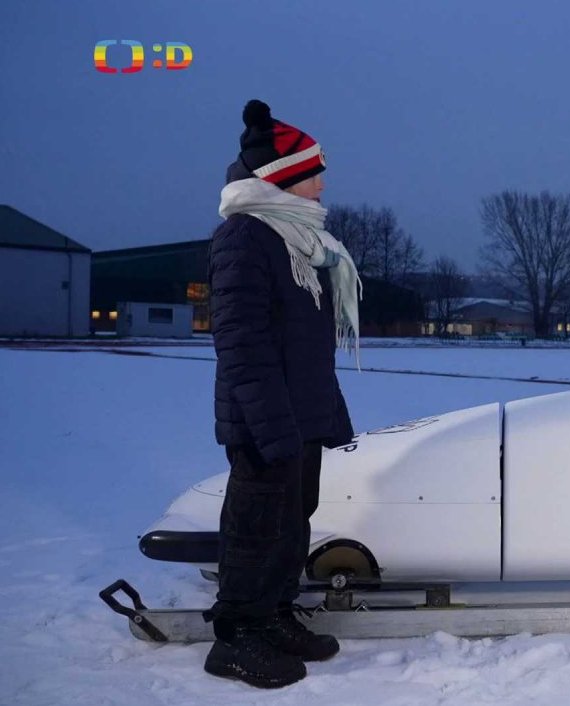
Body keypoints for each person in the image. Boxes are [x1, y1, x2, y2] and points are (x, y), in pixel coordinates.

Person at [203, 99, 361, 688]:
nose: (322, 182)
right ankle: (238, 635)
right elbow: (242, 345)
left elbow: (305, 343)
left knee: (293, 523)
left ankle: (273, 615)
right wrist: (273, 427)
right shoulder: (245, 239)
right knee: (256, 526)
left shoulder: (300, 240)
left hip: (299, 417)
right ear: (284, 179)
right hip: (264, 420)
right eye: (314, 171)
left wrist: (322, 415)